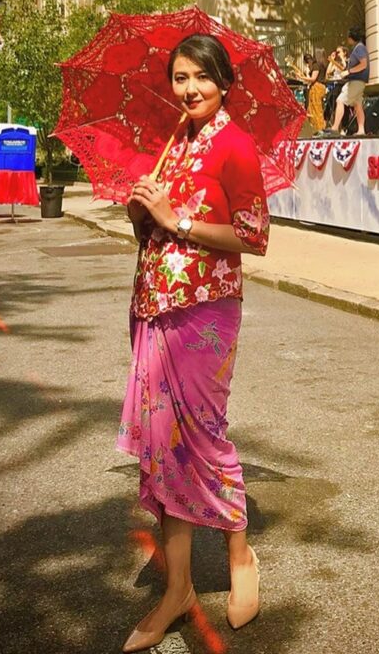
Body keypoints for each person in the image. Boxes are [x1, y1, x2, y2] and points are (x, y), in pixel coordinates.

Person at [120, 33, 269, 651]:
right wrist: (139, 210)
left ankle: (239, 553)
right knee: (166, 447)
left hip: (206, 312)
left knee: (203, 438)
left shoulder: (235, 146)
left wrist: (175, 219)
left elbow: (254, 237)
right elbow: (151, 231)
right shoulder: (173, 144)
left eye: (200, 77)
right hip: (155, 303)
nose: (189, 89)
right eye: (180, 78)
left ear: (223, 80)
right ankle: (177, 587)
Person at [330, 28, 370, 136]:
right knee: (358, 104)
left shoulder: (359, 49)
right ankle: (361, 130)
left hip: (356, 81)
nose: (347, 39)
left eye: (348, 37)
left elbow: (363, 64)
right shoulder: (360, 48)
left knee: (340, 100)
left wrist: (348, 71)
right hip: (359, 81)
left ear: (352, 37)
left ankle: (334, 128)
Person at [298, 52, 327, 132]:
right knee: (312, 108)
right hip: (314, 87)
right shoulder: (315, 66)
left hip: (317, 87)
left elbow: (313, 78)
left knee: (317, 108)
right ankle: (315, 127)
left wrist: (302, 77)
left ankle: (320, 127)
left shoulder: (316, 66)